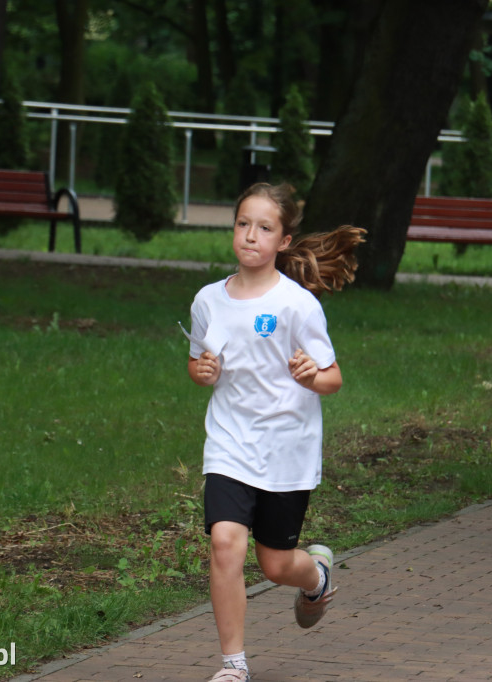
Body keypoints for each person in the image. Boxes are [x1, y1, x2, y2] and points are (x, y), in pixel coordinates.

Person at [186, 182, 365, 682]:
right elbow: (200, 363)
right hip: (229, 442)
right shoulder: (207, 301)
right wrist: (201, 372)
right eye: (243, 224)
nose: (250, 236)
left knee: (275, 565)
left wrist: (313, 376)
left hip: (287, 449)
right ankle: (234, 664)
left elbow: (332, 377)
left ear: (283, 241)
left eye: (264, 228)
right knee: (225, 542)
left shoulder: (297, 305)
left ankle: (317, 575)